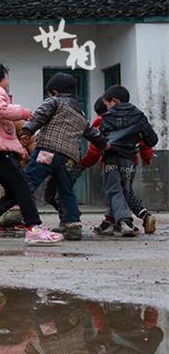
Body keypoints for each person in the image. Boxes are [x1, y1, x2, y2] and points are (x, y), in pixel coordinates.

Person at [0, 61, 63, 245]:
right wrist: (23, 112)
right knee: (24, 186)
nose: (8, 80)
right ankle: (33, 228)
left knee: (14, 191)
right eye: (6, 76)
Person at [17, 72, 107, 241]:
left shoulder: (54, 101)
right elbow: (93, 133)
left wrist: (27, 130)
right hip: (69, 159)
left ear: (54, 91)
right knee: (66, 191)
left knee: (28, 182)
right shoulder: (80, 112)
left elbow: (40, 116)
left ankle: (15, 211)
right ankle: (73, 225)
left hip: (47, 151)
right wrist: (104, 144)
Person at [80, 97, 157, 235]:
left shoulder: (103, 120)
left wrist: (85, 163)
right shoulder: (133, 119)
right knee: (121, 191)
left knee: (115, 190)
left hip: (111, 160)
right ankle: (109, 223)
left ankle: (129, 220)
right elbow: (145, 143)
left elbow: (95, 148)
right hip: (130, 162)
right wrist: (147, 158)